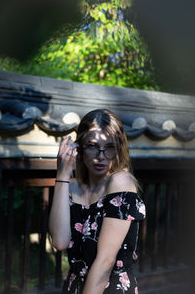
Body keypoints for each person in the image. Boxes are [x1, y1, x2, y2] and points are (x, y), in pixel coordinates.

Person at [49, 109, 146, 294]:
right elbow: (59, 242)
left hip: (109, 287)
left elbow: (106, 261)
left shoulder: (120, 183)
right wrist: (62, 174)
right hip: (74, 285)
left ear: (119, 148)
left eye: (109, 147)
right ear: (80, 147)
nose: (101, 156)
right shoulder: (71, 189)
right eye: (92, 146)